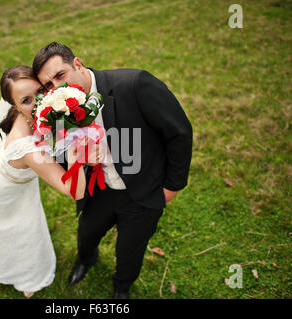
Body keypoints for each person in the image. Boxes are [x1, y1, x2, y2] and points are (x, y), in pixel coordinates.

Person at [33, 42, 193, 299]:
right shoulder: (58, 109)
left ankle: (122, 286)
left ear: (78, 63)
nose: (57, 88)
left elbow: (179, 133)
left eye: (60, 75)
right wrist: (79, 158)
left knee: (130, 251)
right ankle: (86, 260)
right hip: (98, 190)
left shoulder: (135, 84)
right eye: (48, 85)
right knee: (86, 233)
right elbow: (62, 153)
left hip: (143, 190)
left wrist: (172, 187)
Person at [0, 65, 100, 298]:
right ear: (15, 107)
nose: (38, 102)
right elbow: (74, 191)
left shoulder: (34, 114)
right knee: (17, 232)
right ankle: (23, 275)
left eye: (41, 91)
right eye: (26, 100)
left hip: (10, 179)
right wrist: (76, 157)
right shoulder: (27, 148)